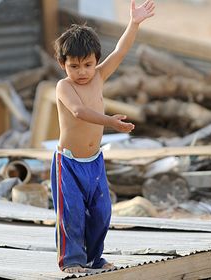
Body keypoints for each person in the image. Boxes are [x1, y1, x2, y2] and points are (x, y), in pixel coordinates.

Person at [50, 0, 155, 273]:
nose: (82, 72)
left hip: (94, 162)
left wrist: (134, 23)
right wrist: (110, 122)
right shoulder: (64, 86)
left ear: (95, 60)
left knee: (101, 213)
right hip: (69, 163)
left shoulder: (98, 76)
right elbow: (79, 111)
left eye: (87, 64)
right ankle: (71, 261)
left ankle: (94, 258)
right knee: (71, 213)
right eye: (74, 66)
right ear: (63, 65)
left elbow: (121, 51)